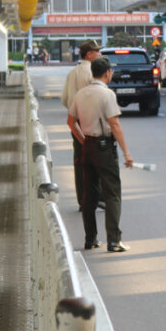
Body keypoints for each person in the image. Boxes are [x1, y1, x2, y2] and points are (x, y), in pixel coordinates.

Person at [67, 56, 134, 253]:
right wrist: (126, 153)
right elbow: (114, 124)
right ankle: (114, 240)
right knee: (112, 192)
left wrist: (83, 140)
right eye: (111, 71)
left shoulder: (80, 94)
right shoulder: (107, 95)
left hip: (88, 146)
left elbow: (71, 122)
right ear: (107, 73)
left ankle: (91, 239)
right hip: (104, 148)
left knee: (89, 194)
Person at [61, 40, 103, 208]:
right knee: (97, 159)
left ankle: (83, 200)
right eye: (97, 52)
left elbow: (64, 99)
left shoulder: (72, 73)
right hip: (91, 122)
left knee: (79, 160)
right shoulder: (93, 73)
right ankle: (96, 197)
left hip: (75, 121)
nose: (99, 54)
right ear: (89, 54)